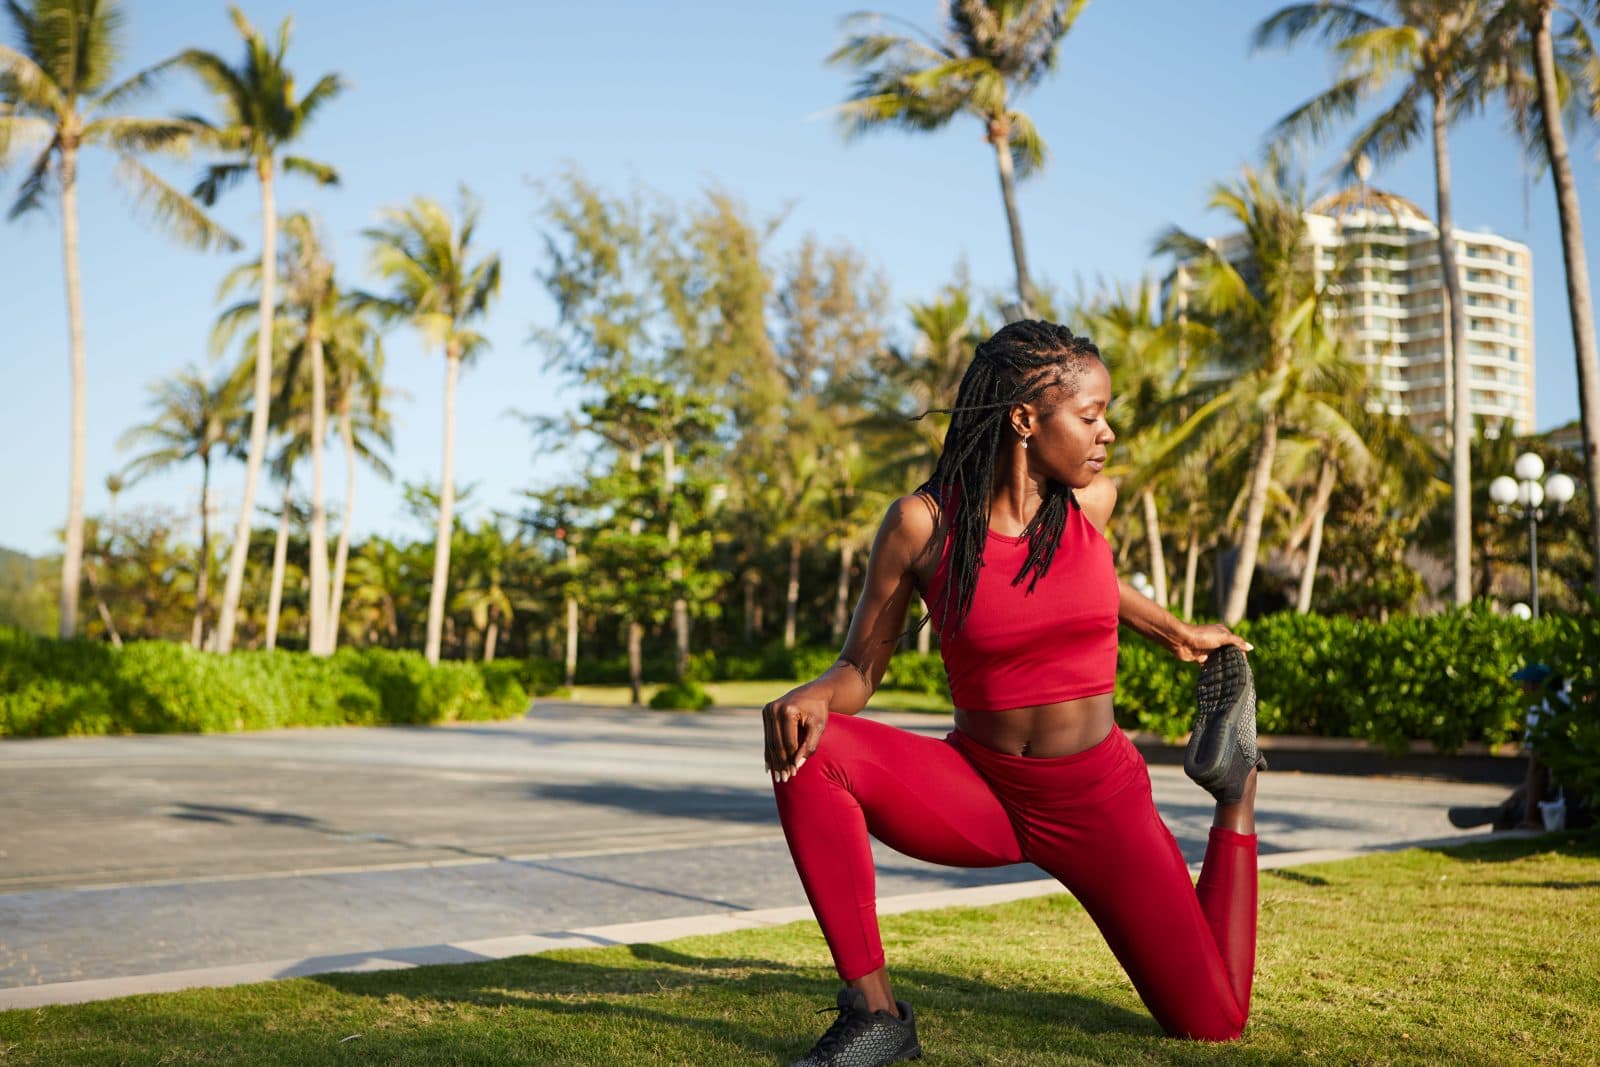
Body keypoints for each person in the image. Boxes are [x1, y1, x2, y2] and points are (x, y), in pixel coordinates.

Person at [762, 320, 1265, 1066]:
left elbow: (1093, 583)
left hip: (1100, 801)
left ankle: (1237, 790)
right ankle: (876, 1015)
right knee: (809, 746)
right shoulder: (922, 526)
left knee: (1211, 1023)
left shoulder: (1091, 506)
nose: (1108, 432)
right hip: (982, 789)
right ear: (1025, 419)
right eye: (1090, 416)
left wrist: (1177, 633)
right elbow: (862, 669)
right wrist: (817, 694)